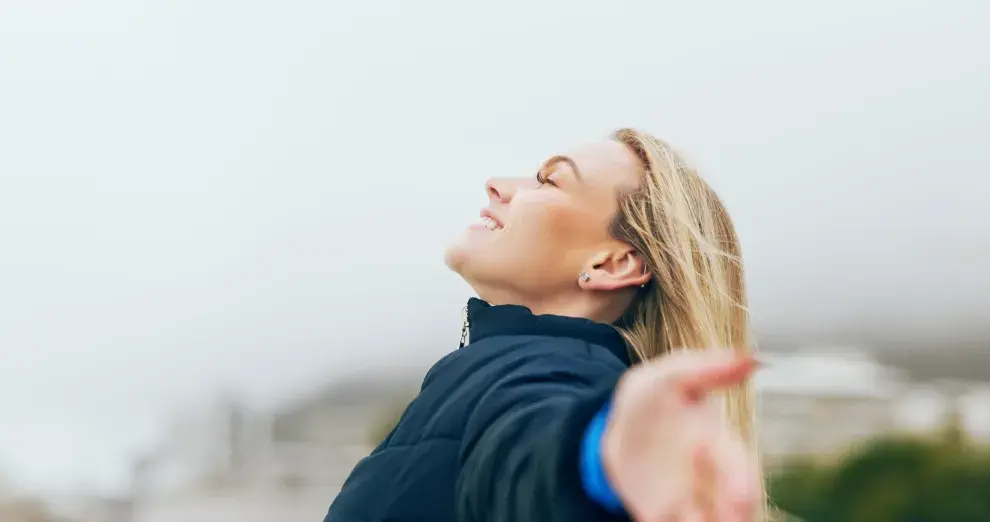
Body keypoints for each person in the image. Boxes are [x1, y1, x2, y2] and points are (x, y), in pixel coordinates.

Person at [323, 128, 764, 522]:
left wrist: (597, 457)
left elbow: (529, 446)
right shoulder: (490, 369)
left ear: (611, 263)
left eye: (550, 180)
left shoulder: (537, 372)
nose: (496, 185)